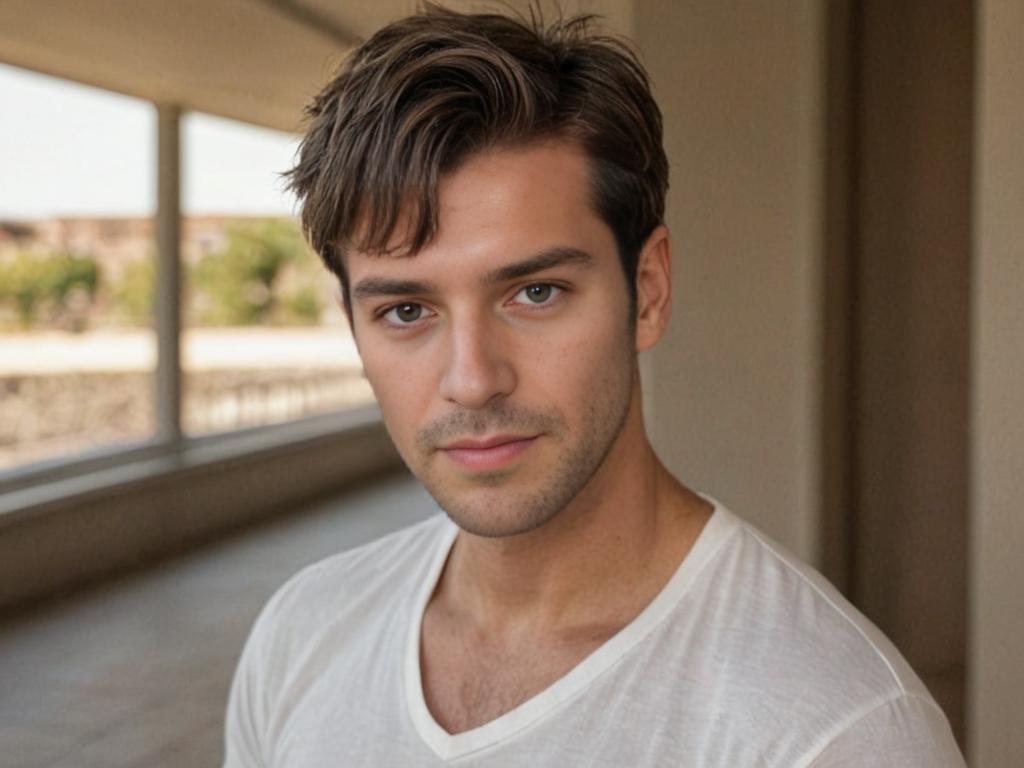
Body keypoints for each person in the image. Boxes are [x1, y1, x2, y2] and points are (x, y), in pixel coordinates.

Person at [223, 5, 965, 766]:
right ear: (353, 323)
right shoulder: (301, 635)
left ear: (647, 291)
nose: (472, 380)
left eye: (535, 293)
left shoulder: (833, 729)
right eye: (407, 310)